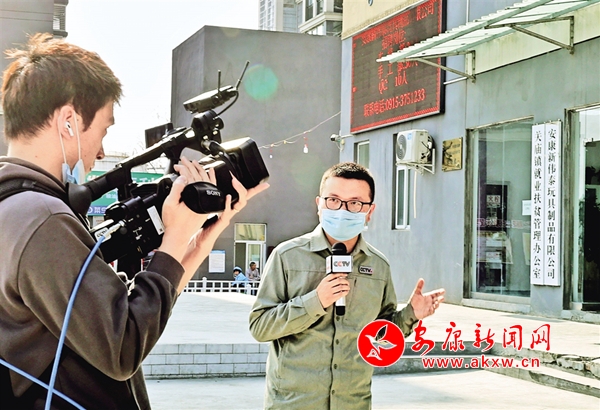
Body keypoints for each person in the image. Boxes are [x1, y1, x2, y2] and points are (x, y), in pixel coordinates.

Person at [0, 33, 268, 409]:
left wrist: (194, 246)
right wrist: (173, 241)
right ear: (68, 121)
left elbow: (117, 319)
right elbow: (122, 349)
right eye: (104, 129)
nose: (101, 151)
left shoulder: (15, 207)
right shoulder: (43, 220)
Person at [249, 162, 444, 409]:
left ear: (369, 211)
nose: (342, 210)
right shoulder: (287, 256)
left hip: (353, 402)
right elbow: (260, 327)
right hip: (293, 403)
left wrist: (411, 314)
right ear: (319, 204)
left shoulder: (378, 266)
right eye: (333, 200)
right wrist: (315, 301)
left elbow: (381, 334)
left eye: (354, 203)